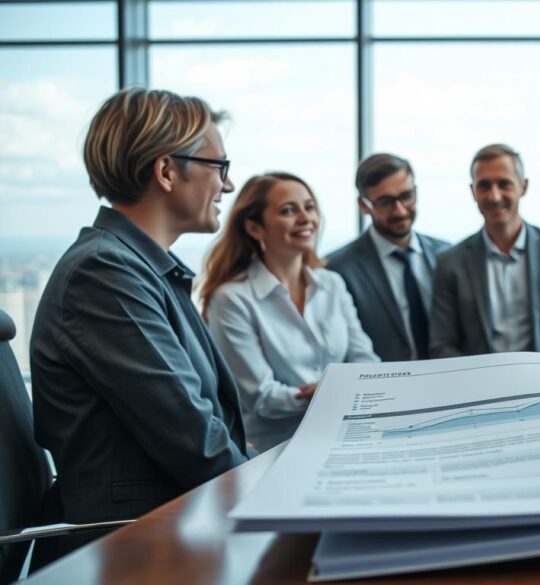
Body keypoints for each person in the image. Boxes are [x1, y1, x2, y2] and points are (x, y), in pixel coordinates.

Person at [30, 88, 248, 558]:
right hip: (133, 551)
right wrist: (282, 501)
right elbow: (194, 439)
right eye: (220, 167)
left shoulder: (141, 268)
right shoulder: (105, 274)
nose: (227, 187)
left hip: (171, 531)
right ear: (167, 171)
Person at [203, 172, 379, 452]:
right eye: (288, 210)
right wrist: (336, 389)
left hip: (344, 440)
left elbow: (367, 363)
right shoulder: (232, 299)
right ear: (254, 228)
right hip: (275, 451)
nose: (305, 218)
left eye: (309, 207)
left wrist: (328, 389)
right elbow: (261, 397)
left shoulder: (332, 284)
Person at [430, 144, 540, 365]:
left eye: (504, 184)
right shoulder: (449, 262)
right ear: (473, 192)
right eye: (484, 186)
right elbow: (442, 345)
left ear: (523, 186)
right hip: (481, 389)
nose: (494, 195)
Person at [325, 154, 450, 362]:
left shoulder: (446, 255)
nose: (400, 210)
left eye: (407, 196)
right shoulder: (337, 269)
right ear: (364, 205)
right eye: (385, 202)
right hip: (380, 389)